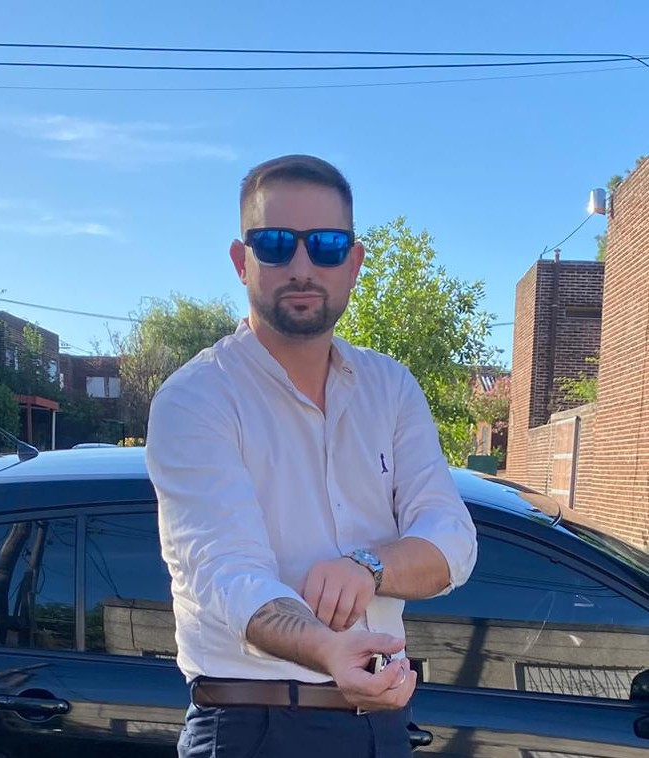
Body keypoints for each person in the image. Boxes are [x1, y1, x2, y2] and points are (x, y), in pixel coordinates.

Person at [146, 154, 477, 757]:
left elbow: (452, 540)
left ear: (353, 263)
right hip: (251, 727)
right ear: (242, 261)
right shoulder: (196, 398)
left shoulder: (391, 388)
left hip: (380, 727)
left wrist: (368, 566)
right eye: (275, 244)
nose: (301, 267)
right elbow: (227, 573)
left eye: (325, 245)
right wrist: (328, 648)